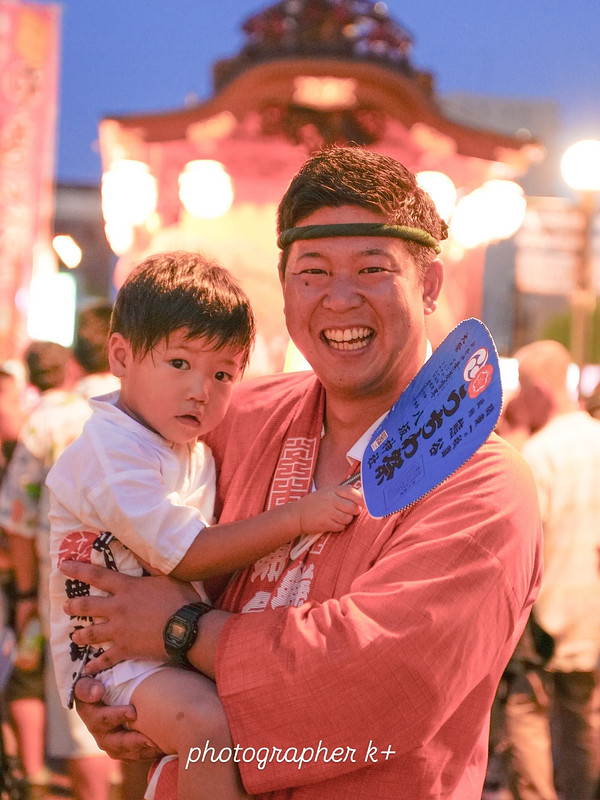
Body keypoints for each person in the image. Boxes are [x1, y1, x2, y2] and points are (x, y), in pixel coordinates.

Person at [61, 146, 542, 800]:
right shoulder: (234, 417)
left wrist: (182, 632)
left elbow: (381, 677)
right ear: (284, 288)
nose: (339, 299)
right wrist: (111, 686)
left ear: (429, 285)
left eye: (373, 269)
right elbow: (106, 525)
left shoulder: (484, 486)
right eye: (313, 272)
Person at [47, 253, 361, 800]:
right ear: (120, 356)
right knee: (208, 729)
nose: (201, 389)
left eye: (222, 374)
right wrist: (298, 516)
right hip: (115, 659)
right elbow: (188, 554)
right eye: (179, 364)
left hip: (155, 647)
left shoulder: (178, 442)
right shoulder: (112, 452)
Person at [0, 331, 121, 800]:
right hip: (158, 589)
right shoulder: (149, 415)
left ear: (76, 361)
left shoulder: (48, 423)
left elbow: (18, 518)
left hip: (71, 591)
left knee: (82, 716)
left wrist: (28, 595)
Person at [503, 340, 600, 800]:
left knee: (526, 713)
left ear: (540, 386)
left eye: (522, 386)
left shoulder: (538, 455)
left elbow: (520, 547)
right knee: (583, 724)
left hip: (542, 626)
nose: (518, 399)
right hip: (591, 624)